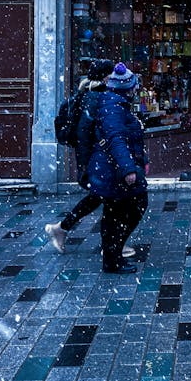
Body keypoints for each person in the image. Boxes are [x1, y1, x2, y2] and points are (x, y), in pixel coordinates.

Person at [45, 58, 135, 260]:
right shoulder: (97, 97)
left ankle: (62, 228)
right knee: (111, 199)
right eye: (111, 73)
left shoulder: (88, 94)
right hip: (98, 158)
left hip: (96, 158)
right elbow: (88, 133)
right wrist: (91, 161)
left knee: (101, 198)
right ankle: (111, 246)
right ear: (105, 76)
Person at [86, 62, 148, 274]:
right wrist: (128, 169)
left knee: (114, 213)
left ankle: (112, 258)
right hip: (112, 169)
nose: (135, 90)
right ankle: (113, 256)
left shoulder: (114, 103)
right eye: (133, 86)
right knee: (133, 205)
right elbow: (117, 139)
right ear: (126, 88)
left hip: (108, 167)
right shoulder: (113, 107)